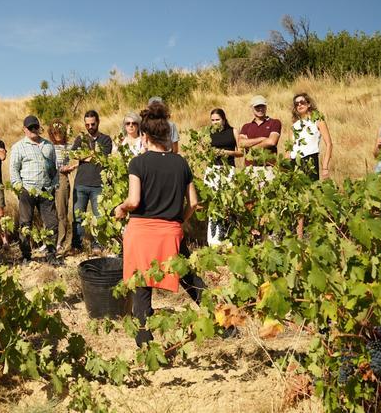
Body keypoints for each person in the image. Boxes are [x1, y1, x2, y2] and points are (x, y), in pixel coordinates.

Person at [113, 102, 202, 347]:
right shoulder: (181, 163)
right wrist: (178, 222)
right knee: (189, 278)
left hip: (141, 232)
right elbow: (193, 203)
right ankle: (226, 324)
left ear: (144, 135)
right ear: (166, 135)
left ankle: (144, 338)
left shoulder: (138, 163)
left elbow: (134, 200)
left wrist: (120, 208)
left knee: (142, 283)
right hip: (170, 232)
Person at [9, 115, 59, 264]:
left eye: (36, 127)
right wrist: (19, 188)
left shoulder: (49, 145)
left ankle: (51, 256)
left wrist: (54, 185)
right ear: (24, 129)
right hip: (27, 190)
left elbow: (54, 169)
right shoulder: (18, 147)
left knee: (52, 224)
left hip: (46, 190)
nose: (33, 130)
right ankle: (26, 255)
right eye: (30, 128)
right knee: (25, 224)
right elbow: (13, 169)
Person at [70, 110, 113, 252]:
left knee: (98, 217)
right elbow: (74, 154)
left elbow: (103, 157)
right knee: (77, 217)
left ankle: (98, 244)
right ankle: (77, 245)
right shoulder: (80, 138)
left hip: (98, 185)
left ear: (98, 122)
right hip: (80, 183)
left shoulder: (106, 139)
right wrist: (93, 156)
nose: (90, 127)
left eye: (92, 124)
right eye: (87, 124)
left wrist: (86, 156)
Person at [204, 109, 242, 245]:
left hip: (228, 170)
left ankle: (227, 239)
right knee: (213, 205)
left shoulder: (233, 131)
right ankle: (213, 240)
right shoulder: (208, 133)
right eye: (213, 120)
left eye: (217, 120)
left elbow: (241, 152)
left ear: (224, 119)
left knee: (228, 204)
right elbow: (204, 152)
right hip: (212, 171)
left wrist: (225, 152)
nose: (215, 122)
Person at [289, 93, 333, 180]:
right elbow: (289, 149)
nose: (299, 105)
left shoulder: (318, 121)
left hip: (310, 160)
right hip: (294, 162)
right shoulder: (294, 126)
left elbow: (329, 144)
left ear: (308, 104)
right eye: (296, 104)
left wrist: (325, 167)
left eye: (302, 102)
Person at [239, 95, 282, 182]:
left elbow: (272, 141)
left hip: (268, 168)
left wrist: (252, 148)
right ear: (252, 108)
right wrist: (262, 138)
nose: (260, 109)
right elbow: (241, 143)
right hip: (250, 168)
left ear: (266, 107)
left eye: (262, 106)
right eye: (257, 107)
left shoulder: (274, 123)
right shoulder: (246, 126)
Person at [48, 120, 73, 253]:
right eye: (55, 131)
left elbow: (75, 161)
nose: (58, 134)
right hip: (48, 179)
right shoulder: (48, 146)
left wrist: (69, 167)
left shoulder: (69, 147)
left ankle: (60, 241)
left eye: (60, 131)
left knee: (61, 211)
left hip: (62, 178)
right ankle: (49, 240)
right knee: (48, 211)